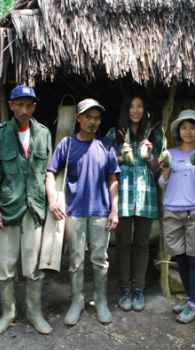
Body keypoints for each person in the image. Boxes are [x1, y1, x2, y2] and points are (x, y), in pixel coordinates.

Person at [0, 85, 53, 335]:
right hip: (6, 207)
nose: (24, 110)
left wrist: (51, 201)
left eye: (29, 105)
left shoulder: (43, 134)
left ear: (34, 107)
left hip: (34, 207)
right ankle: (8, 312)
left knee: (34, 265)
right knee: (3, 263)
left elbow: (48, 172)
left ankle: (34, 313)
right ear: (12, 105)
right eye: (19, 104)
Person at [46, 98, 120, 325]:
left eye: (97, 118)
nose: (93, 122)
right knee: (76, 259)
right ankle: (77, 301)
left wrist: (114, 209)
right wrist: (52, 200)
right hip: (74, 212)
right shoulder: (66, 145)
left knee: (99, 259)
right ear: (78, 119)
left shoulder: (106, 146)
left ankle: (100, 300)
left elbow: (113, 179)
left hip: (100, 212)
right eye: (88, 117)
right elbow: (50, 172)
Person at [102, 95, 163, 312]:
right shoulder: (114, 133)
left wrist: (148, 157)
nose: (136, 110)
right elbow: (103, 162)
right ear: (125, 110)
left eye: (140, 105)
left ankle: (139, 290)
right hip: (123, 196)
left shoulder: (154, 133)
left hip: (145, 195)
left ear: (145, 109)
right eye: (131, 106)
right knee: (124, 244)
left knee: (142, 245)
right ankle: (124, 290)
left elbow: (158, 168)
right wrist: (120, 157)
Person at [159, 109, 195, 324]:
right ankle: (192, 299)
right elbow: (162, 184)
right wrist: (164, 173)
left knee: (194, 258)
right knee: (179, 257)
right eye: (184, 127)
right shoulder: (169, 153)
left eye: (192, 127)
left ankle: (192, 302)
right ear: (178, 131)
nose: (188, 131)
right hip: (172, 210)